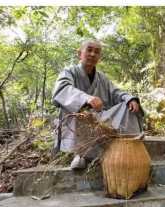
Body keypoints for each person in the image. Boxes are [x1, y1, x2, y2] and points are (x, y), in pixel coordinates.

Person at [52, 39, 143, 169]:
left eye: (97, 52)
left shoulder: (102, 78)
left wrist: (129, 99)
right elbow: (62, 89)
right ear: (80, 53)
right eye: (89, 50)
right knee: (75, 111)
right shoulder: (69, 72)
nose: (93, 54)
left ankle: (128, 148)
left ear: (99, 57)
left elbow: (116, 92)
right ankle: (80, 154)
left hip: (100, 119)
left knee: (128, 107)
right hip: (77, 119)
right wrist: (86, 99)